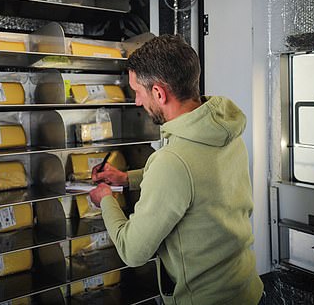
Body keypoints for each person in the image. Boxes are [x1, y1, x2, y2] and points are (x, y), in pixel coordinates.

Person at [89, 34, 263, 305]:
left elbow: (132, 250)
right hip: (247, 289)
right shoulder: (224, 131)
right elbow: (197, 178)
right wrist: (126, 179)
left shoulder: (172, 162)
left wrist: (106, 200)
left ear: (159, 92)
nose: (136, 102)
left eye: (138, 91)